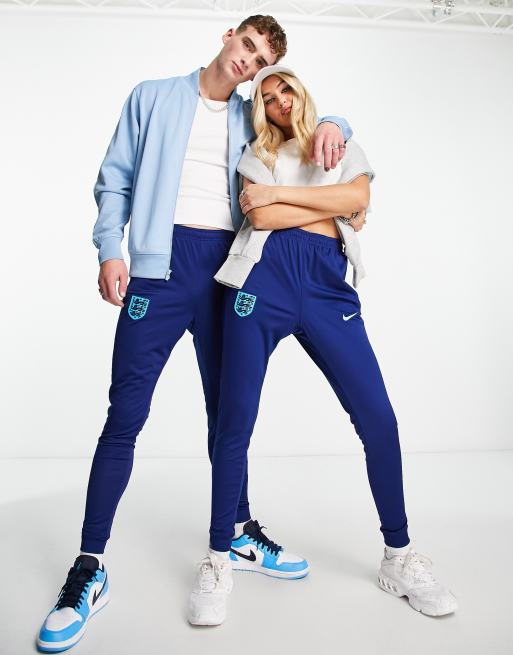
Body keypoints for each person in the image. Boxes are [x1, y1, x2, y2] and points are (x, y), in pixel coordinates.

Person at [36, 16, 353, 653]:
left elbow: (303, 124)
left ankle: (236, 531)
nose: (248, 61)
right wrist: (110, 249)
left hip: (231, 276)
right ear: (228, 34)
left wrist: (334, 124)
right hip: (159, 272)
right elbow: (114, 178)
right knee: (125, 416)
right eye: (247, 45)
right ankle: (90, 565)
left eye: (260, 60)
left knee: (227, 416)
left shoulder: (252, 117)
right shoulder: (153, 96)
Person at [188, 65, 458, 626]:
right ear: (260, 110)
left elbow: (357, 195)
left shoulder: (339, 144)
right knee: (234, 421)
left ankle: (400, 556)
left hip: (326, 286)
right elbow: (262, 213)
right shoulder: (256, 154)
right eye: (267, 97)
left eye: (285, 88)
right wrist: (329, 206)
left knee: (378, 419)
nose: (279, 101)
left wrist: (292, 198)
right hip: (261, 280)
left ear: (301, 91)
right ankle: (219, 556)